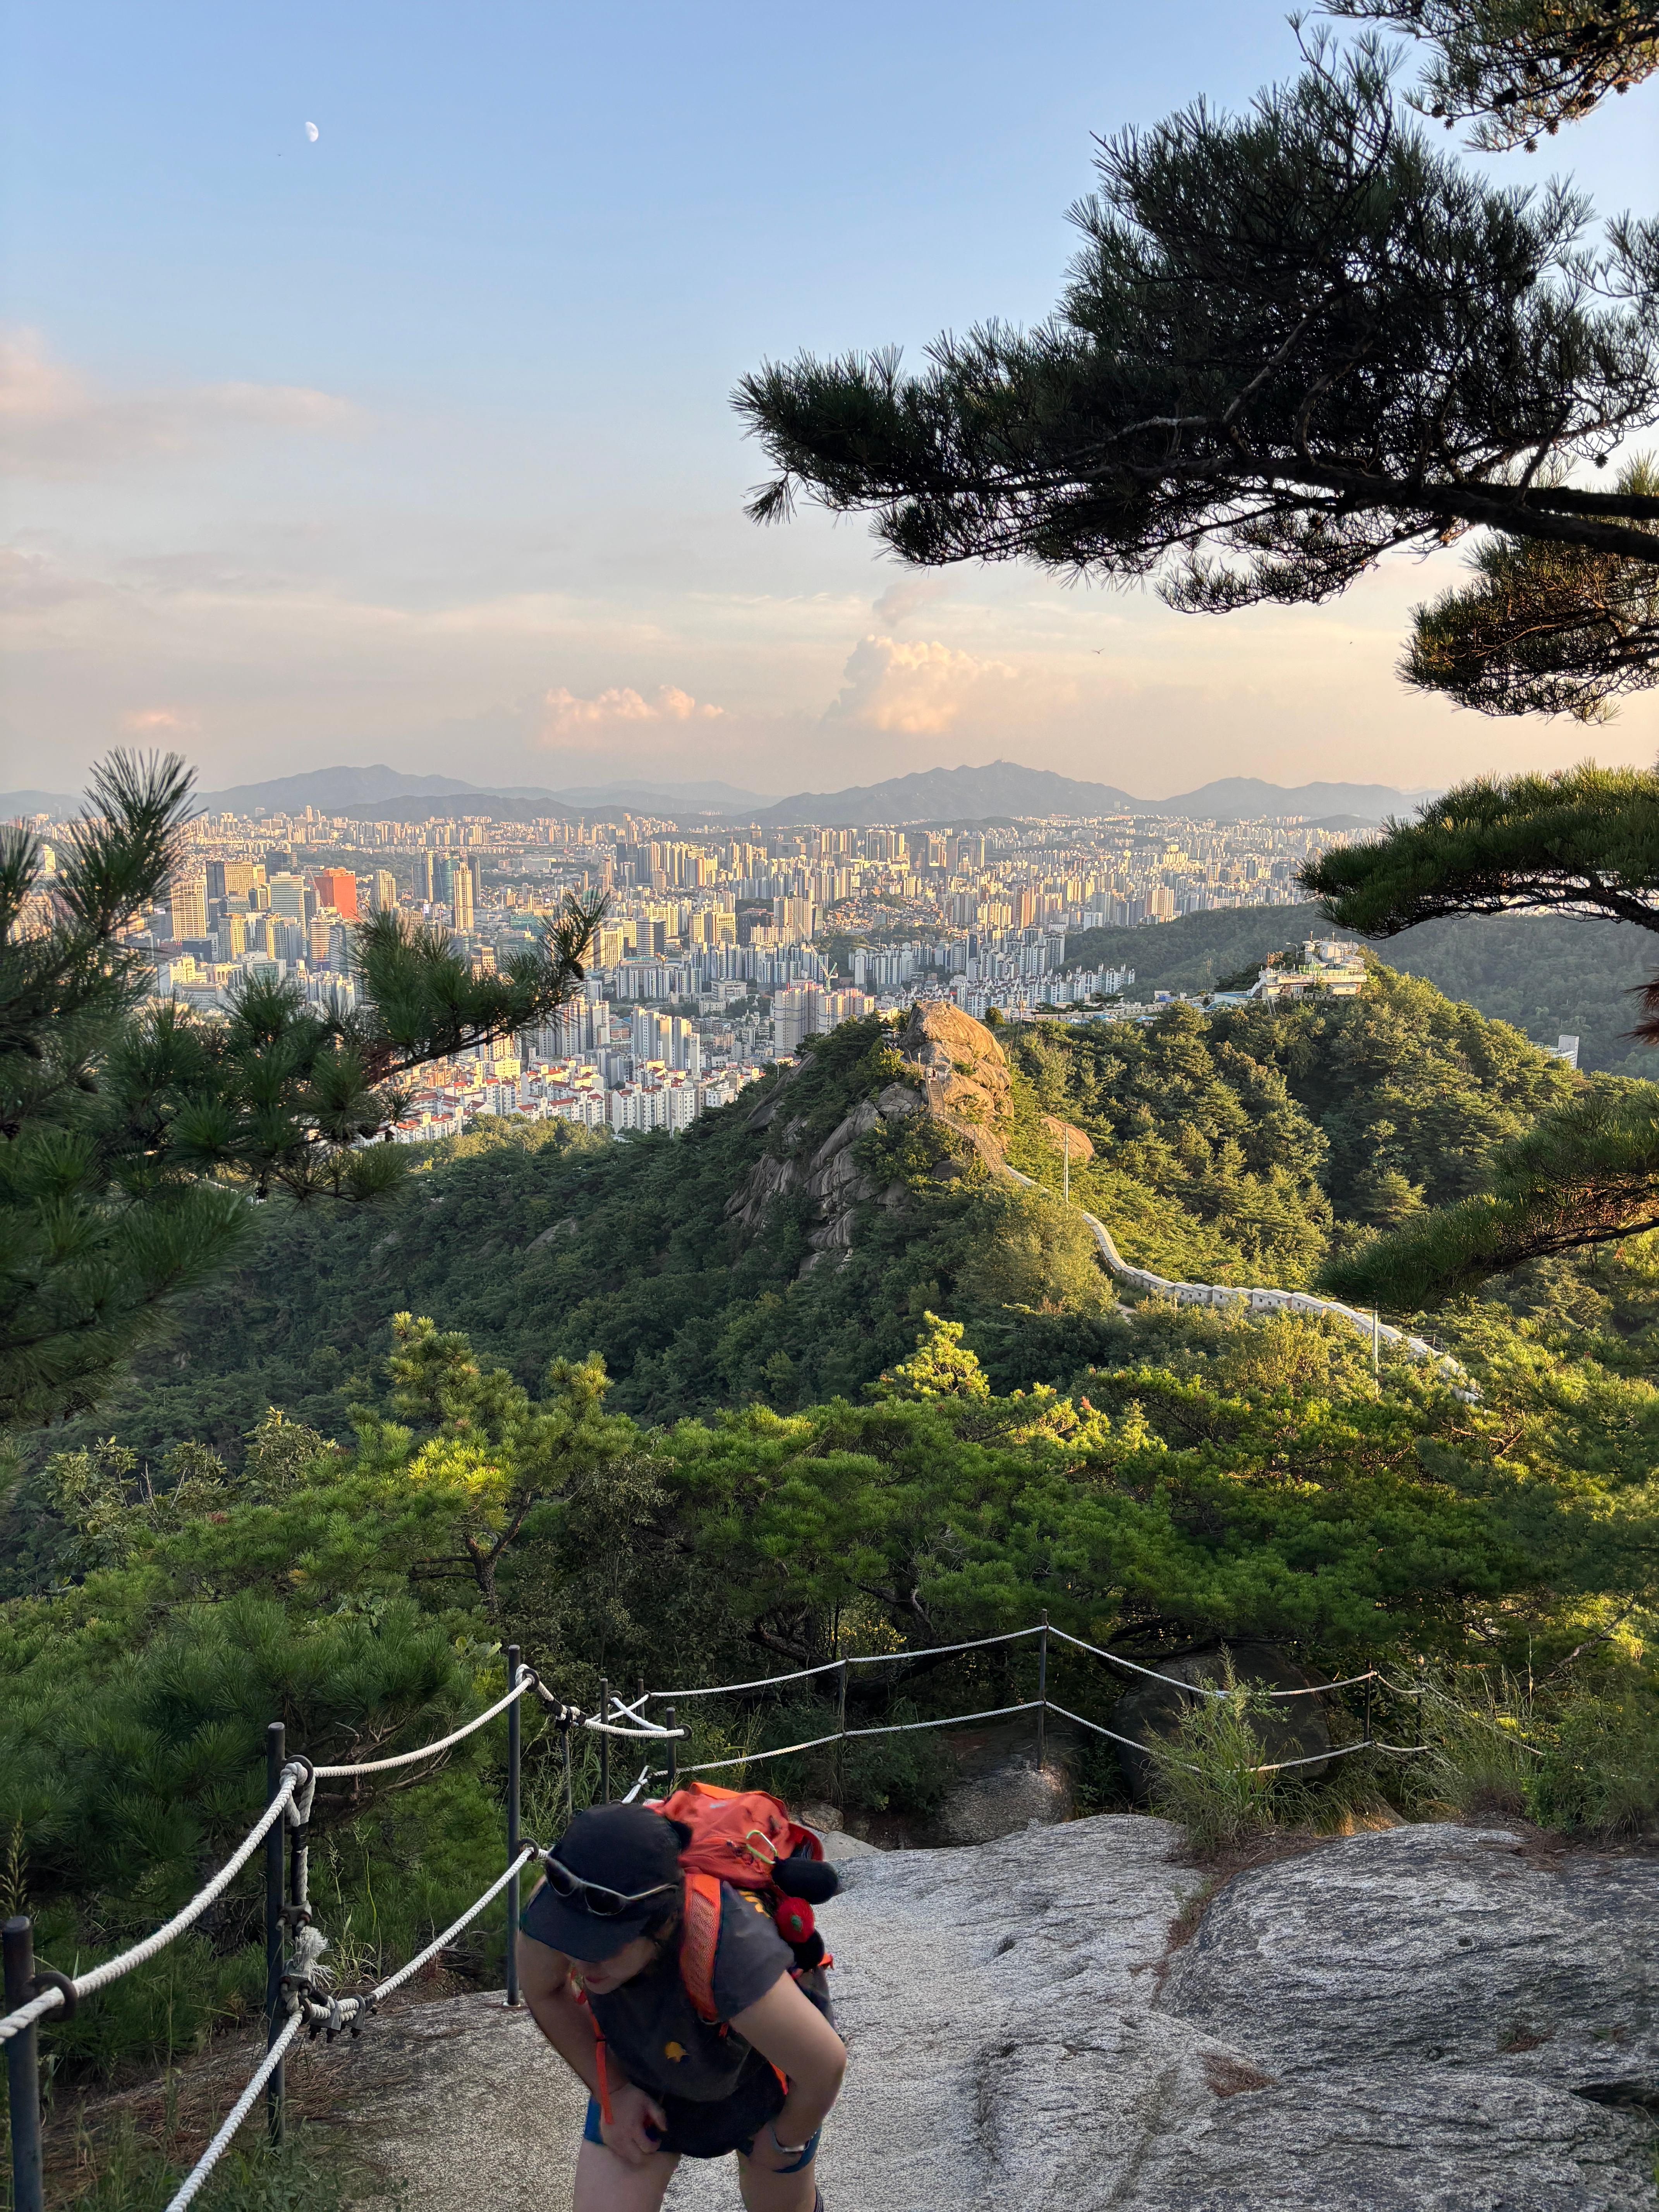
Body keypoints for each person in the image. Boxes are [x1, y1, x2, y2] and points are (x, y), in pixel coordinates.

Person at [518, 1802, 847, 2212]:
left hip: (759, 2074)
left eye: (602, 1947)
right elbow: (545, 1991)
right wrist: (615, 2092)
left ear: (663, 1923)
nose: (582, 1963)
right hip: (644, 2067)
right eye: (572, 1940)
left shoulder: (732, 1951)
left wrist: (787, 2139)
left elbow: (824, 2066)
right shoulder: (561, 1900)